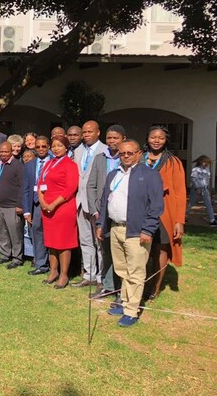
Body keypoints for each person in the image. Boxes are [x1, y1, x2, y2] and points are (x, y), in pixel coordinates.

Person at [97, 140, 164, 327]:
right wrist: (101, 224)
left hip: (136, 231)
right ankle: (124, 301)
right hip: (116, 228)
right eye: (122, 153)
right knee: (121, 269)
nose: (125, 156)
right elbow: (104, 202)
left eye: (130, 153)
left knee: (135, 271)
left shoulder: (150, 175)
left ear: (139, 153)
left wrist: (148, 229)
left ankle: (131, 310)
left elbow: (156, 206)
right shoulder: (113, 175)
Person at [143, 125, 186, 299]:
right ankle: (141, 282)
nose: (156, 141)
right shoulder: (139, 158)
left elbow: (180, 192)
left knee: (160, 248)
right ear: (148, 138)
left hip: (163, 211)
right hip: (142, 211)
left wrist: (179, 221)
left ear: (166, 140)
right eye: (153, 137)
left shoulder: (172, 162)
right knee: (142, 248)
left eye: (160, 138)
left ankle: (156, 286)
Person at [86, 125, 126, 299]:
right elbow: (91, 185)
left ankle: (123, 289)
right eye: (109, 138)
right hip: (101, 213)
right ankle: (108, 285)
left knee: (123, 252)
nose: (112, 141)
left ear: (123, 138)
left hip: (121, 212)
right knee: (105, 250)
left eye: (115, 138)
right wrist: (95, 210)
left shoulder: (128, 158)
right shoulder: (99, 158)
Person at [38, 135, 79, 288]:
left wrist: (53, 204)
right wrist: (42, 201)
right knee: (52, 242)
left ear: (66, 147)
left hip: (62, 208)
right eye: (54, 146)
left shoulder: (70, 165)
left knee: (63, 243)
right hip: (47, 208)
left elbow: (70, 188)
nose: (56, 149)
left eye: (59, 146)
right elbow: (40, 182)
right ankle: (53, 271)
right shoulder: (49, 163)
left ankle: (64, 274)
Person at [72, 120, 108, 290]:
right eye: (84, 132)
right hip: (79, 201)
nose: (86, 135)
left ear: (98, 132)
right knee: (85, 240)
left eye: (90, 132)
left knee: (99, 241)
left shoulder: (106, 151)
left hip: (96, 203)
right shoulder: (78, 151)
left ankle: (101, 277)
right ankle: (89, 274)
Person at [23, 136, 52, 275]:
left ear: (48, 147)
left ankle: (54, 264)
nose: (41, 149)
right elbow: (26, 189)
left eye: (44, 146)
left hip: (51, 203)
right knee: (37, 233)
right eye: (38, 147)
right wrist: (27, 211)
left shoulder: (54, 162)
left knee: (51, 234)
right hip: (34, 204)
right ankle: (41, 264)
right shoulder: (29, 165)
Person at [0, 142, 26, 269]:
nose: (3, 154)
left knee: (15, 233)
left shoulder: (18, 166)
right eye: (1, 152)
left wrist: (19, 204)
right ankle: (5, 254)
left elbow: (23, 186)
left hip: (12, 206)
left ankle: (17, 257)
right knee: (2, 232)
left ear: (11, 151)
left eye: (6, 151)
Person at [187, 155, 217, 226]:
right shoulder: (196, 169)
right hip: (195, 189)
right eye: (205, 162)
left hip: (204, 189)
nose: (206, 164)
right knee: (192, 203)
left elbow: (207, 180)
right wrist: (197, 188)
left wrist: (207, 189)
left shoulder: (207, 170)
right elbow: (193, 179)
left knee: (208, 204)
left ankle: (212, 220)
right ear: (201, 162)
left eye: (207, 163)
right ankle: (184, 215)